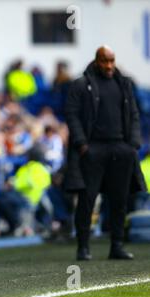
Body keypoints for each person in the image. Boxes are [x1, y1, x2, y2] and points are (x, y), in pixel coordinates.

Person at [64, 46, 147, 261]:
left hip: (121, 148)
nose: (109, 65)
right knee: (87, 199)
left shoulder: (124, 83)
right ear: (96, 61)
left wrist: (133, 144)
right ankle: (83, 247)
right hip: (93, 149)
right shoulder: (81, 85)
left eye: (111, 61)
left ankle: (116, 246)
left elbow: (134, 114)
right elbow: (71, 115)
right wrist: (82, 144)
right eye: (104, 61)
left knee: (120, 200)